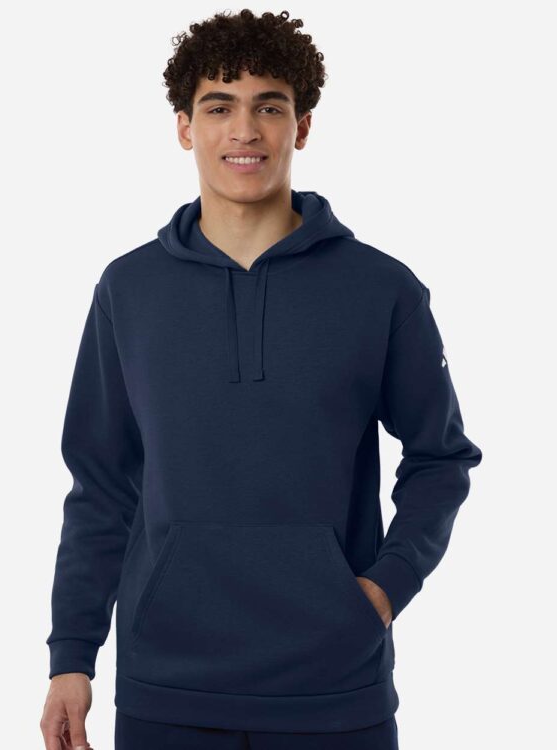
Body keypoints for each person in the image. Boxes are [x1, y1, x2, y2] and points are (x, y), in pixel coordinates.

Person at [40, 9, 482, 750]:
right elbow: (101, 484)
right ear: (185, 127)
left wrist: (384, 588)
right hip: (166, 687)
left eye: (268, 107)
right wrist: (71, 656)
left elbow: (441, 458)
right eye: (219, 108)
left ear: (301, 127)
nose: (243, 130)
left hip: (335, 687)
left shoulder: (381, 290)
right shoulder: (129, 289)